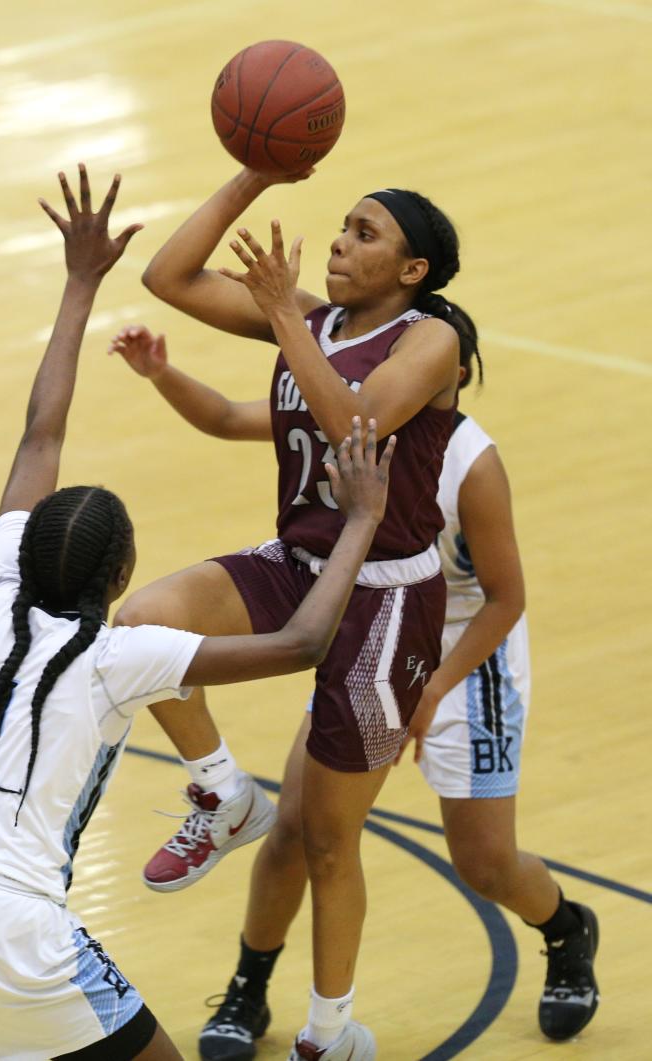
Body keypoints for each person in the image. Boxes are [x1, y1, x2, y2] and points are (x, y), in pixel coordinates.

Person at [0, 166, 397, 1061]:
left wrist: (77, 283)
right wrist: (366, 516)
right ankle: (223, 794)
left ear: (22, 552)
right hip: (10, 925)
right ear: (120, 578)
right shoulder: (118, 653)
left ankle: (223, 794)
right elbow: (303, 641)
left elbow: (40, 435)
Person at [109, 329, 600, 1057]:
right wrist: (162, 373)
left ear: (445, 376)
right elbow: (226, 417)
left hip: (465, 653)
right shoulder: (352, 422)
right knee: (298, 829)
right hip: (374, 625)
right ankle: (250, 988)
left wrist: (432, 687)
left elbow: (504, 598)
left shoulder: (472, 463)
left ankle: (565, 927)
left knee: (485, 862)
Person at [109, 169, 479, 1060]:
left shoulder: (434, 338)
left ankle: (329, 1030)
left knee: (325, 836)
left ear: (413, 268)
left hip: (388, 595)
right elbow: (168, 277)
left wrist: (282, 315)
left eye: (365, 232)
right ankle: (223, 792)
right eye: (343, 227)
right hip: (299, 562)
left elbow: (358, 420)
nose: (343, 241)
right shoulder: (313, 320)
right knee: (139, 628)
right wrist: (256, 170)